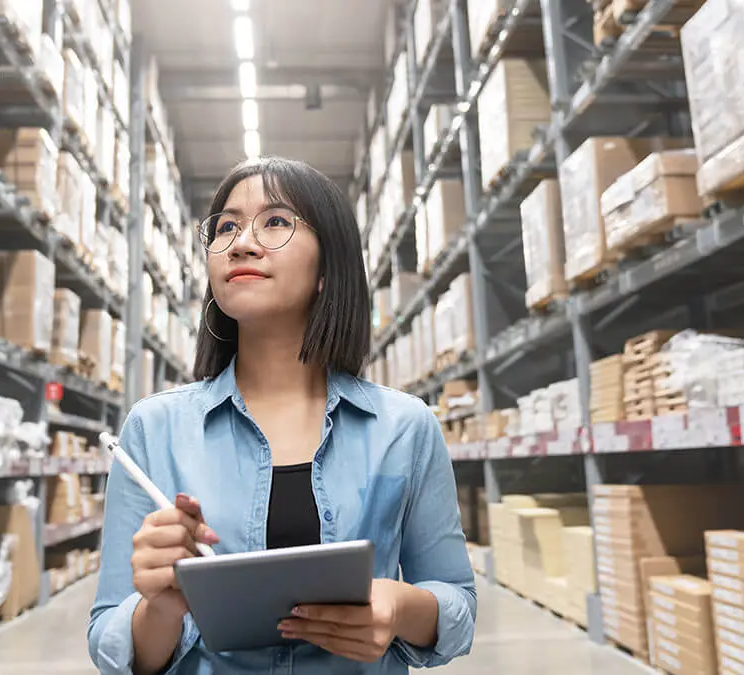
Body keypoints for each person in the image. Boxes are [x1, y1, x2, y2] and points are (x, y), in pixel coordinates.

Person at [88, 156, 476, 674]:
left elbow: (458, 605)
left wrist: (400, 607)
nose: (242, 243)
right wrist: (161, 603)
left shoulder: (404, 427)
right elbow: (112, 643)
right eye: (226, 227)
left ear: (327, 268)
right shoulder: (154, 429)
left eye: (275, 221)